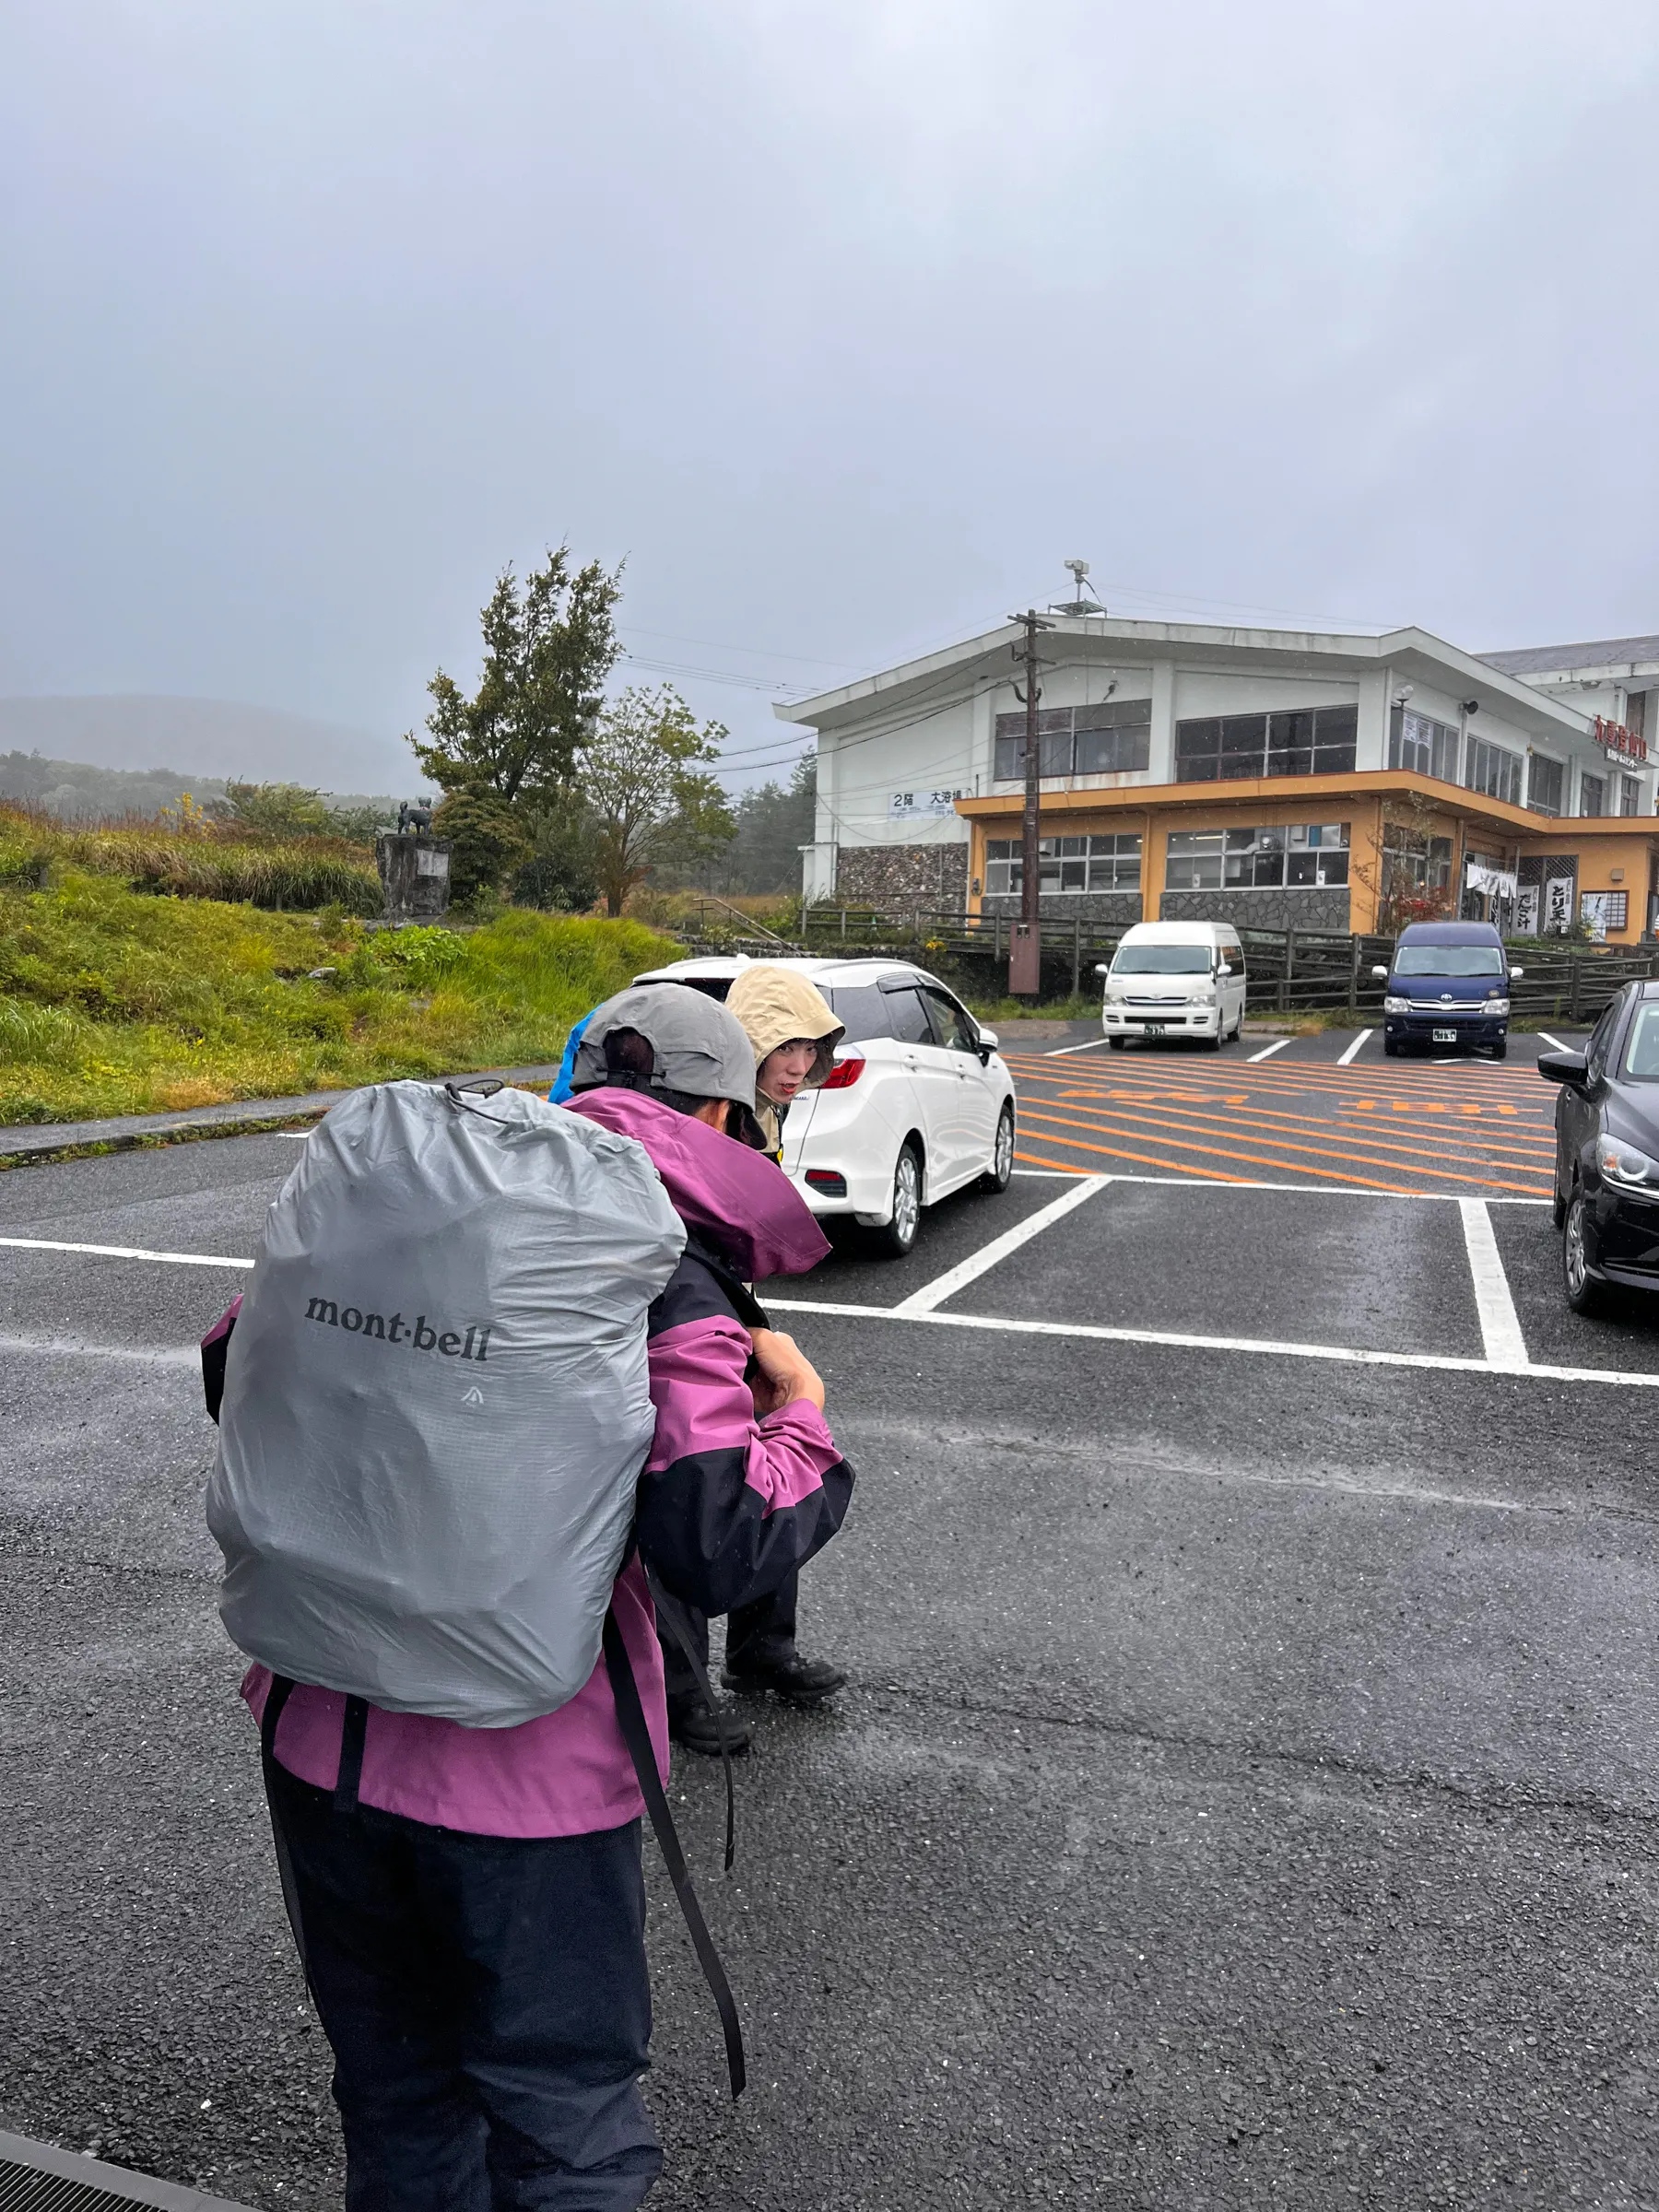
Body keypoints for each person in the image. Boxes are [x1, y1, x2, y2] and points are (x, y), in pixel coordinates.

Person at [242, 984, 853, 2211]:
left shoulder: (409, 1211)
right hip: (526, 1782)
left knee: (398, 2093)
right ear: (724, 1113)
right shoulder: (657, 1266)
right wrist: (804, 1415)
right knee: (562, 2112)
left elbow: (235, 1367)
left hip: (314, 1732)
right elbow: (721, 1540)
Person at [657, 965, 850, 1756]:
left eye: (811, 1047)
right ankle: (678, 1691)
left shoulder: (758, 1114)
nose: (801, 1063)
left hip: (724, 1314)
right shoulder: (698, 1112)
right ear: (746, 1046)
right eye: (786, 1045)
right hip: (676, 1317)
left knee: (767, 1471)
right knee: (689, 1498)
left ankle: (763, 1651)